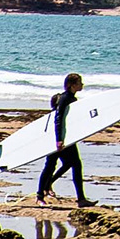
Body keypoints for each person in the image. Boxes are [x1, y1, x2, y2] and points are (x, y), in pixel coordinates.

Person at [37, 72, 91, 205]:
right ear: (72, 85)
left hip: (66, 137)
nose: (82, 85)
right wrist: (59, 139)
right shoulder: (64, 98)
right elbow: (58, 119)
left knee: (71, 164)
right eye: (79, 82)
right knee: (51, 166)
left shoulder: (73, 99)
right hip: (59, 138)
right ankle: (39, 197)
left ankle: (80, 198)